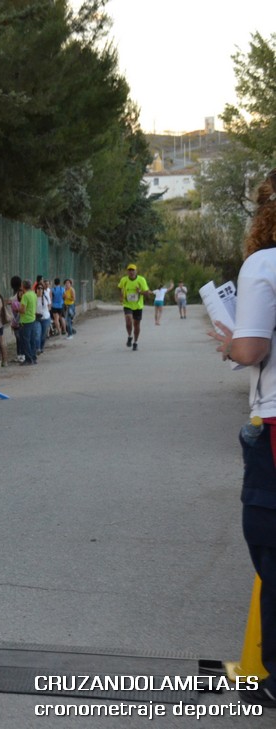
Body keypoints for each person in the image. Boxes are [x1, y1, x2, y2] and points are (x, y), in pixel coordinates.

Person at [207, 170, 276, 708]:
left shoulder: (264, 264)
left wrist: (230, 343)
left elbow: (251, 350)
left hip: (274, 422)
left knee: (268, 544)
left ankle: (269, 673)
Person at [118, 263, 150, 351]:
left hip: (138, 306)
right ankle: (129, 336)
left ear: (136, 271)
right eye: (129, 270)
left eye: (133, 270)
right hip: (127, 304)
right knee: (128, 321)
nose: (131, 272)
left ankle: (135, 342)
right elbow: (119, 287)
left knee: (136, 324)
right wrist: (121, 295)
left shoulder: (141, 280)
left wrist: (140, 292)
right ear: (127, 272)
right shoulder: (124, 280)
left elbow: (147, 293)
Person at [17, 279, 38, 365]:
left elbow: (23, 310)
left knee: (25, 341)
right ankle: (33, 357)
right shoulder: (33, 294)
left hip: (25, 321)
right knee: (32, 340)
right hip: (32, 319)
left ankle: (28, 359)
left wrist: (17, 308)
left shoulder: (25, 296)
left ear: (23, 286)